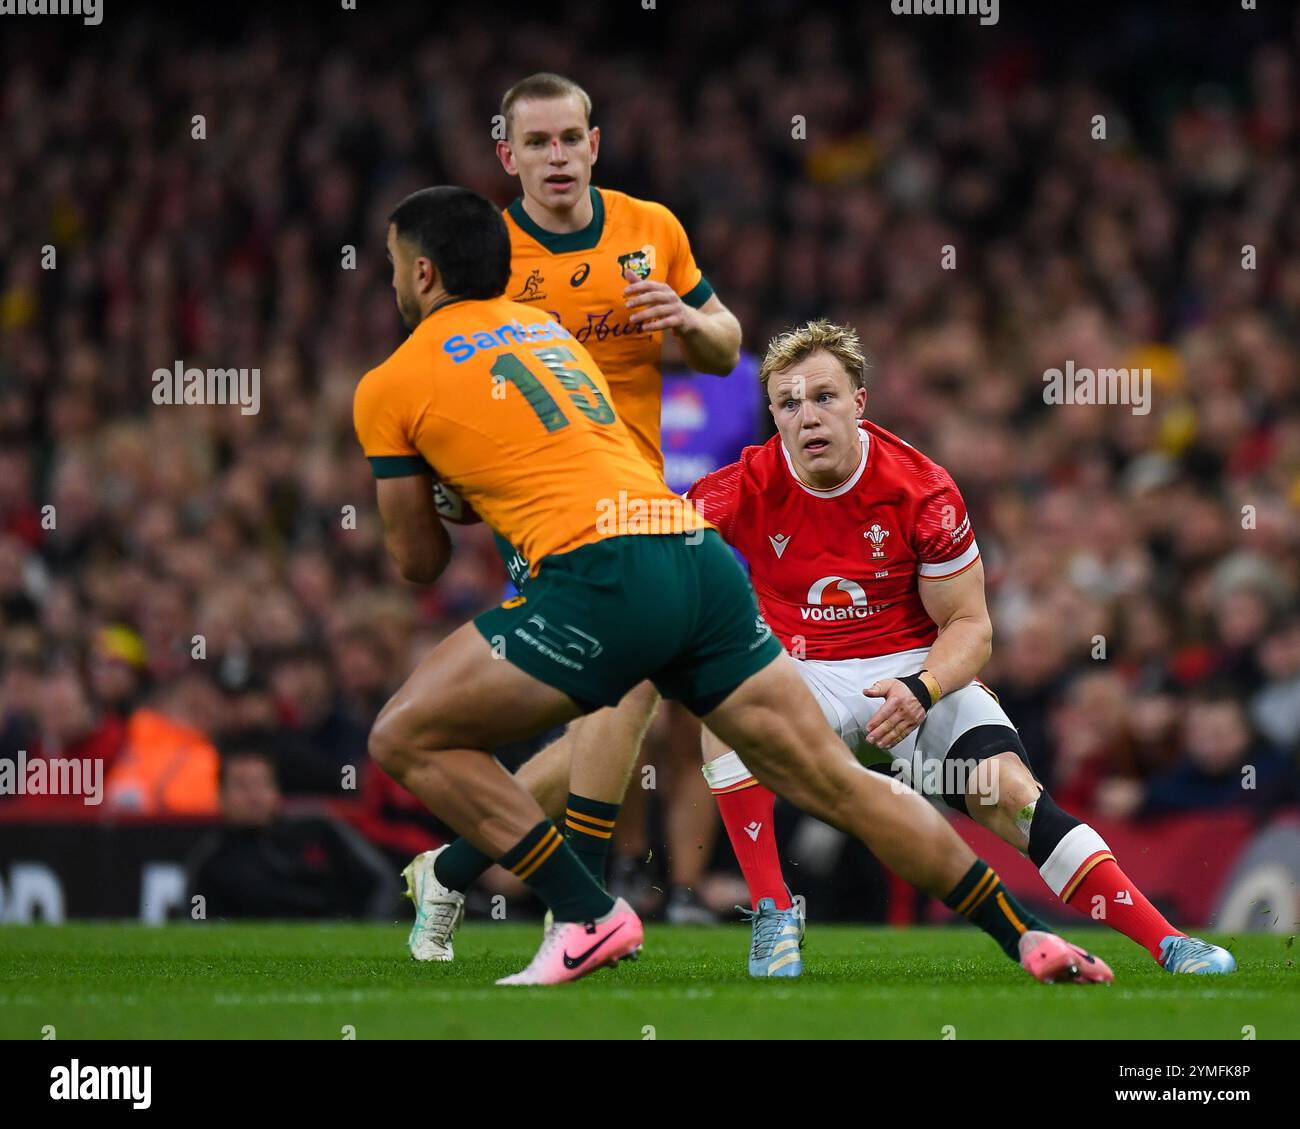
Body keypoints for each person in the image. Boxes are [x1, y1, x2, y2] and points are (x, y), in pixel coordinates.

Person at [356, 184, 1110, 986]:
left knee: (405, 734)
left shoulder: (391, 384)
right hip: (694, 556)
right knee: (833, 780)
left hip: (598, 569)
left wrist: (443, 499)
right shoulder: (546, 334)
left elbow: (419, 563)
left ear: (426, 274)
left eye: (395, 268)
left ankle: (586, 912)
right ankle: (1026, 935)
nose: (394, 283)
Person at [681, 319, 1234, 976]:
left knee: (1013, 796)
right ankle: (774, 912)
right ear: (771, 413)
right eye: (789, 403)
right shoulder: (736, 488)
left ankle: (1169, 941)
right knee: (723, 707)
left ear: (860, 401)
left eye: (824, 397)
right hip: (802, 674)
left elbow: (971, 627)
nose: (808, 417)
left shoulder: (923, 490)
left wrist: (923, 688)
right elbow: (658, 563)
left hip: (912, 668)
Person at [405, 71, 744, 938]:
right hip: (547, 511)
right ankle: (585, 899)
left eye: (571, 139)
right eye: (538, 142)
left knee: (624, 696)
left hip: (640, 498)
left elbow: (725, 345)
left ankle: (451, 868)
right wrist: (448, 484)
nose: (557, 157)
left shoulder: (651, 228)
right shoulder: (487, 256)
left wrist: (687, 320)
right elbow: (440, 379)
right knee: (628, 688)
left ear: (595, 144)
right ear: (506, 155)